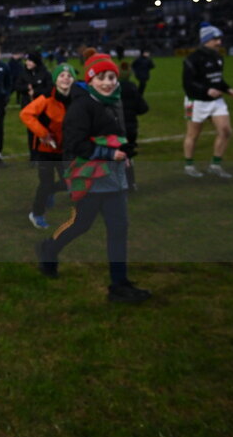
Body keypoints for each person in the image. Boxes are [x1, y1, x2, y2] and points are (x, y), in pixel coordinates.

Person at [34, 54, 151, 304]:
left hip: (114, 176)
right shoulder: (81, 106)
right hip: (89, 175)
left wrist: (125, 153)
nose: (107, 82)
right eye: (101, 78)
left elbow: (115, 134)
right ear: (90, 80)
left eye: (111, 77)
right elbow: (75, 145)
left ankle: (119, 285)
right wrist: (110, 153)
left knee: (119, 228)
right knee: (81, 224)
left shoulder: (115, 100)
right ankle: (48, 250)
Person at [19, 63, 75, 229]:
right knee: (45, 184)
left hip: (65, 150)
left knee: (70, 182)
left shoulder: (77, 99)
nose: (66, 78)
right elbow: (25, 114)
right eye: (62, 75)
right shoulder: (45, 99)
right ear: (55, 79)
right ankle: (36, 214)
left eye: (69, 75)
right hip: (45, 151)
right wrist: (43, 134)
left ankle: (51, 191)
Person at [182, 23, 233, 178]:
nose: (219, 42)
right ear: (206, 40)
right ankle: (189, 166)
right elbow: (188, 84)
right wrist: (206, 90)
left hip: (216, 101)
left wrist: (227, 89)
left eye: (219, 38)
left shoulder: (218, 57)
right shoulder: (192, 59)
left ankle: (215, 165)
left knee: (226, 131)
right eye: (215, 39)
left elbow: (217, 80)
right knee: (193, 135)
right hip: (196, 101)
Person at [118, 62, 149, 190]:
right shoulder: (132, 87)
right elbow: (143, 108)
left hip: (116, 128)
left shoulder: (110, 89)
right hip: (131, 127)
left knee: (115, 155)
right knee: (128, 155)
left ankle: (119, 184)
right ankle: (131, 183)